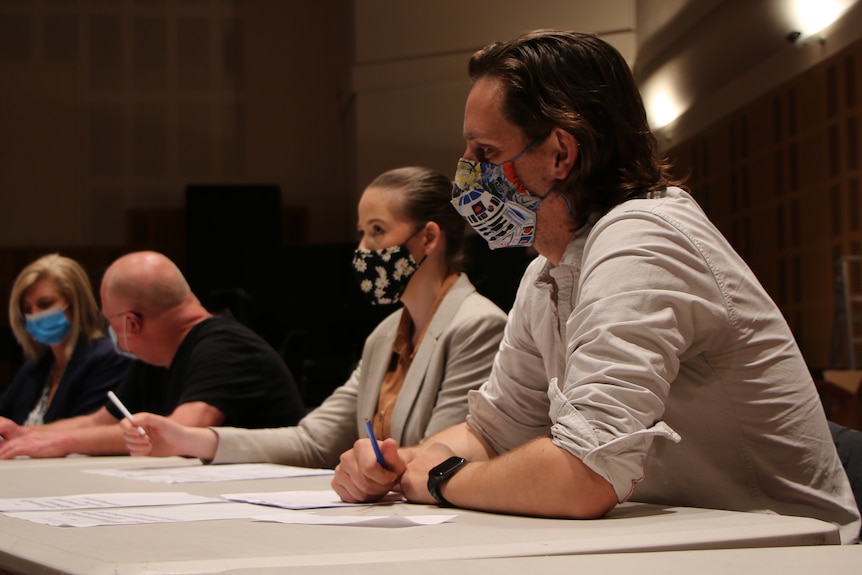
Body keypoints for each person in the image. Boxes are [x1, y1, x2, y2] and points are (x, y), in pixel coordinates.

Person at [330, 30, 862, 544]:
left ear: (561, 153)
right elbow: (492, 432)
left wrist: (440, 479)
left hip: (789, 546)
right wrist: (400, 464)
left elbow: (586, 476)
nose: (467, 175)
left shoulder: (643, 238)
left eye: (486, 153)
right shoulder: (547, 272)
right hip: (692, 540)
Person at [119, 166, 508, 468]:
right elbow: (313, 440)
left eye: (377, 231)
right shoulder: (384, 336)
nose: (362, 248)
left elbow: (438, 458)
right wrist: (189, 439)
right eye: (361, 232)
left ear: (429, 238)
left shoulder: (477, 325)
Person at [0, 250, 306, 458]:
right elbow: (99, 422)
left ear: (131, 322)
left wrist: (60, 443)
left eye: (111, 322)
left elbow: (179, 433)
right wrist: (23, 434)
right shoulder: (157, 356)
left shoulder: (226, 347)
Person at [0, 254, 130, 426]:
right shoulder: (36, 366)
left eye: (45, 304)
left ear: (76, 304)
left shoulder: (109, 358)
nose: (34, 315)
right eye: (27, 309)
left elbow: (85, 433)